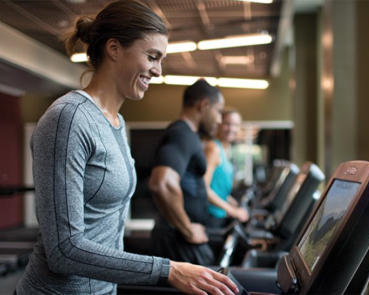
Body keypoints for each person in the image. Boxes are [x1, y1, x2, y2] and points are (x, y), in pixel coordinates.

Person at [15, 1, 238, 294]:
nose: (158, 71)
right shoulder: (69, 119)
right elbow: (64, 249)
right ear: (114, 49)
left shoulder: (116, 122)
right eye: (152, 56)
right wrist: (168, 269)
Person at [149, 79, 224, 265]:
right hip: (179, 240)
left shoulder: (188, 135)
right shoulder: (182, 134)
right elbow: (162, 183)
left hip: (181, 237)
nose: (220, 119)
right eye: (219, 111)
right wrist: (188, 229)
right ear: (204, 105)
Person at [203, 108, 249, 228]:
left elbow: (217, 187)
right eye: (227, 124)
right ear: (219, 124)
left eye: (235, 125)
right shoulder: (213, 148)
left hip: (219, 214)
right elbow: (203, 188)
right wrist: (233, 211)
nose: (231, 129)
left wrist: (232, 202)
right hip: (209, 216)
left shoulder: (225, 149)